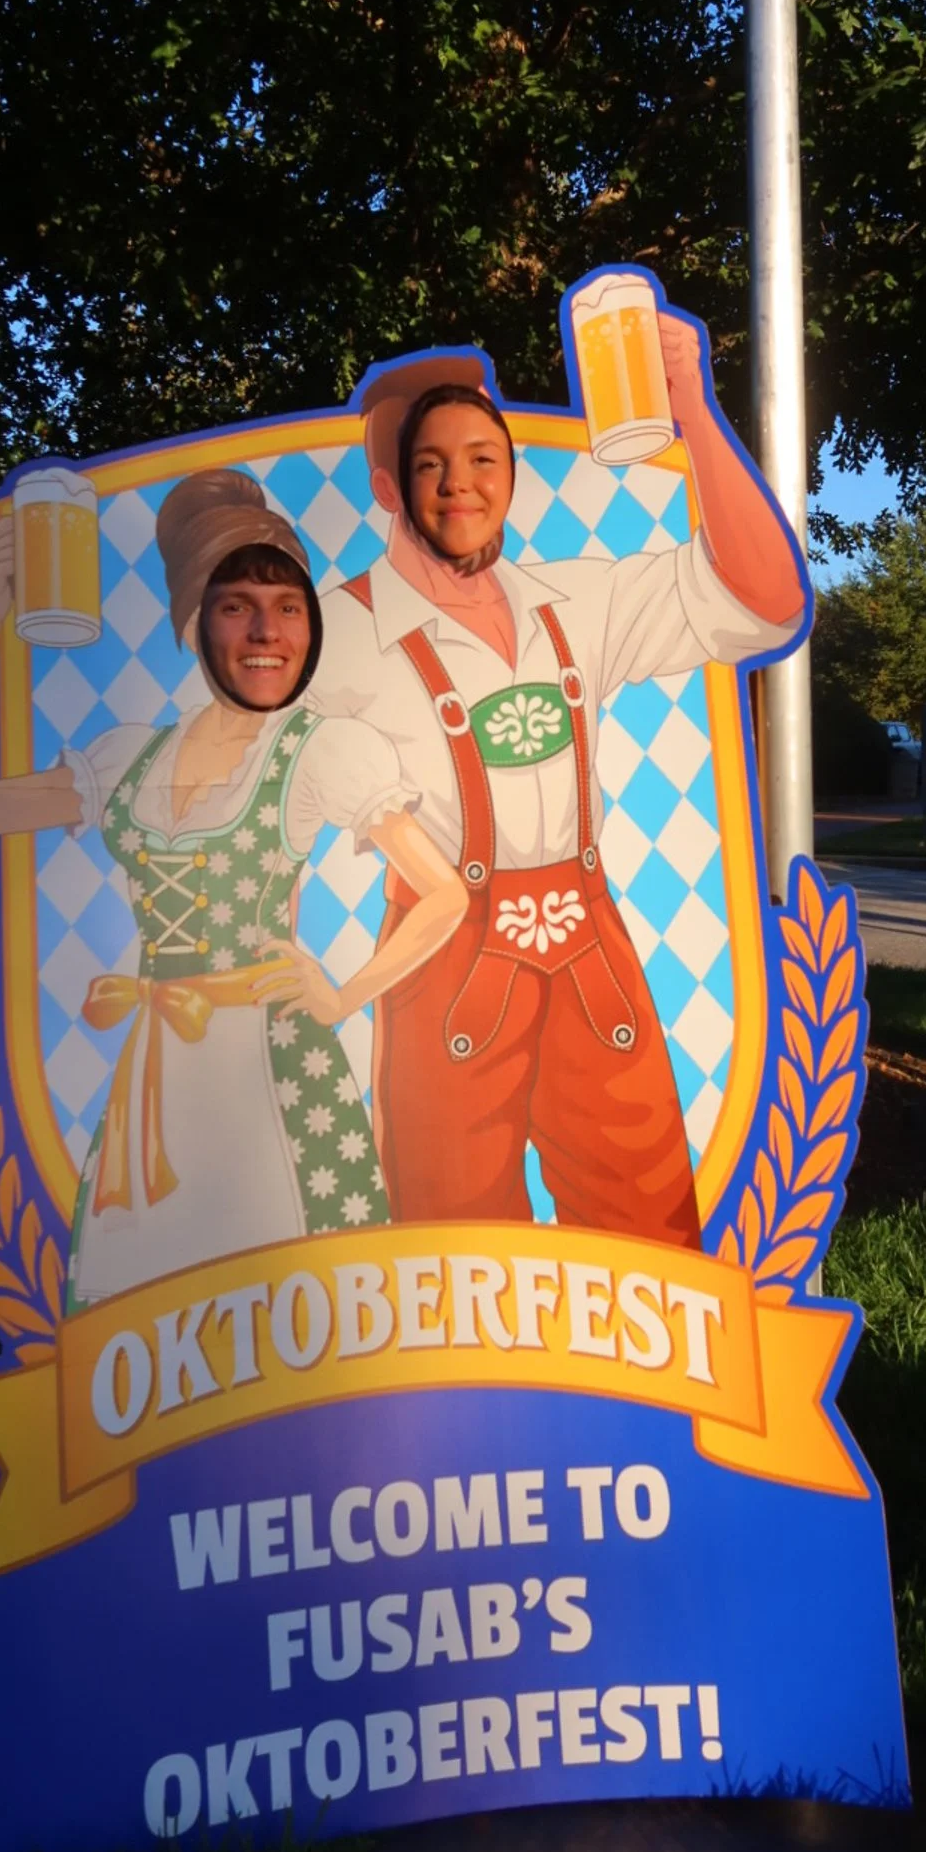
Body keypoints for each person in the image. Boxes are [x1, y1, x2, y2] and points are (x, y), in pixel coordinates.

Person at [309, 309, 808, 1249]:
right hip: (443, 953)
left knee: (652, 1233)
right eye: (428, 462)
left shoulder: (573, 598)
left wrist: (695, 412)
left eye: (482, 457)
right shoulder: (328, 635)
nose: (459, 485)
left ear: (510, 473)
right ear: (387, 483)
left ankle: (642, 1402)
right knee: (452, 1249)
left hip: (591, 951)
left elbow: (767, 599)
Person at [0, 469, 467, 1304]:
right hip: (157, 1080)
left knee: (302, 1303)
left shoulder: (315, 750)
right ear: (193, 621)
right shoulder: (130, 759)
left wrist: (340, 996)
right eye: (235, 603)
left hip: (274, 1078)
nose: (267, 631)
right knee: (148, 1304)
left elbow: (444, 894)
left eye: (289, 608)